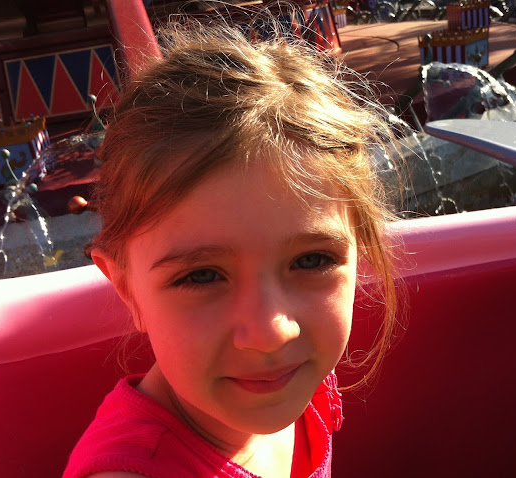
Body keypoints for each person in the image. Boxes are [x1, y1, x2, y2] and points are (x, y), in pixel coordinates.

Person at [63, 7, 405, 478]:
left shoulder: (296, 381)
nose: (271, 332)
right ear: (126, 289)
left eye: (311, 260)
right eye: (202, 275)